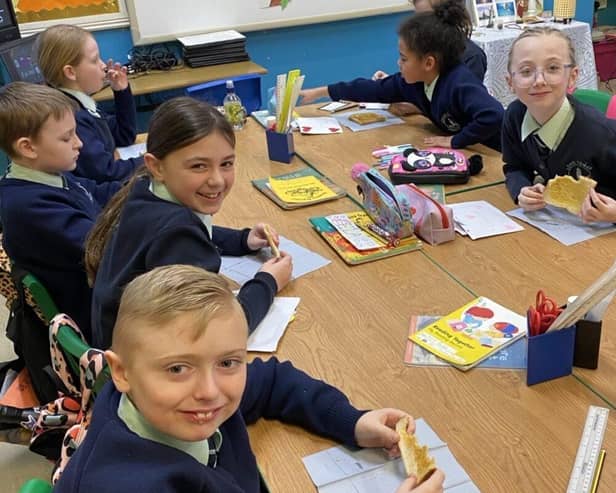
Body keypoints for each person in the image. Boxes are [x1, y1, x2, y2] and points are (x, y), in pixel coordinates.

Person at [53, 264, 446, 493]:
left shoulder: (151, 400)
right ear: (121, 372)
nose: (210, 393)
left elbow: (271, 381)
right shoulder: (130, 486)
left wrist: (353, 421)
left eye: (228, 362)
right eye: (177, 369)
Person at [85, 97, 292, 349]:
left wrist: (242, 240)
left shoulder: (145, 189)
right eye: (198, 166)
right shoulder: (178, 234)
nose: (217, 180)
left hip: (114, 346)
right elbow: (222, 334)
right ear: (156, 166)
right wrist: (268, 281)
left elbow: (186, 229)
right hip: (144, 367)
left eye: (226, 163)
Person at [0, 82, 121, 340]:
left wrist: (154, 181)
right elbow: (111, 252)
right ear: (28, 147)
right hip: (103, 323)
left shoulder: (50, 177)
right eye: (67, 137)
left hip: (109, 297)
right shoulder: (30, 207)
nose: (79, 144)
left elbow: (101, 192)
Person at [300, 0, 503, 150]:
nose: (399, 64)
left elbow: (493, 114)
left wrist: (455, 140)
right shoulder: (411, 83)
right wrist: (322, 91)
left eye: (404, 59)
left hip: (495, 152)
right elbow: (371, 89)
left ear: (428, 63)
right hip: (467, 150)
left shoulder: (459, 82)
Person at [502, 27, 616, 223]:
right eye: (526, 71)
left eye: (553, 68)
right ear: (510, 82)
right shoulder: (514, 116)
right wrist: (521, 189)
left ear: (573, 76)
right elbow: (514, 166)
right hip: (560, 232)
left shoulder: (602, 134)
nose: (539, 81)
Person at [37, 24, 143, 183]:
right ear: (70, 72)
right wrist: (150, 159)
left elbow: (124, 136)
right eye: (94, 60)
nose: (103, 65)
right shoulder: (72, 117)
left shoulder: (81, 102)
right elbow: (107, 173)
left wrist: (121, 92)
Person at [373, 0, 488, 118]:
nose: (418, 27)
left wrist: (420, 107)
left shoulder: (472, 57)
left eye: (423, 20)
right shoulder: (425, 49)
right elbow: (421, 85)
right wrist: (394, 85)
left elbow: (461, 112)